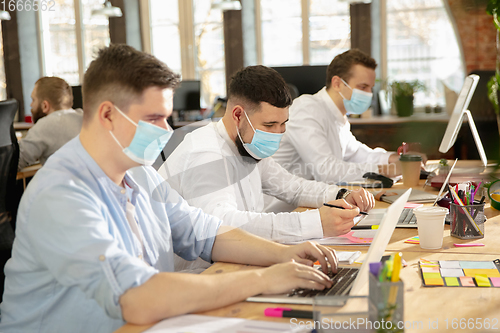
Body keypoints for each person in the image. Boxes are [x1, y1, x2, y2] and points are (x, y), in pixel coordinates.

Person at [0, 44, 343, 333]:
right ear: (107, 115)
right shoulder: (61, 194)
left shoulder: (140, 174)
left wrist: (284, 254)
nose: (166, 130)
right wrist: (265, 280)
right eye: (154, 118)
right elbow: (136, 297)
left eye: (166, 117)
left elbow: (204, 232)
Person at [161, 65, 375, 270]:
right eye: (270, 125)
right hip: (200, 274)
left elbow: (292, 187)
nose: (278, 133)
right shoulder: (205, 153)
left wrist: (341, 194)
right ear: (238, 115)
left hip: (237, 263)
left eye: (283, 124)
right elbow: (224, 227)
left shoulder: (247, 144)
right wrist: (315, 222)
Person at [272, 49, 426, 184]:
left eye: (370, 88)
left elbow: (356, 153)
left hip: (310, 202)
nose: (368, 94)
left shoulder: (339, 117)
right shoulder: (307, 109)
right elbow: (327, 170)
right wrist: (388, 169)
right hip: (285, 209)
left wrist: (393, 158)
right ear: (337, 83)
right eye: (362, 87)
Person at [18, 76, 83, 170]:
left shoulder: (44, 124)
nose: (31, 105)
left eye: (33, 100)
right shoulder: (84, 116)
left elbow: (16, 161)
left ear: (45, 105)